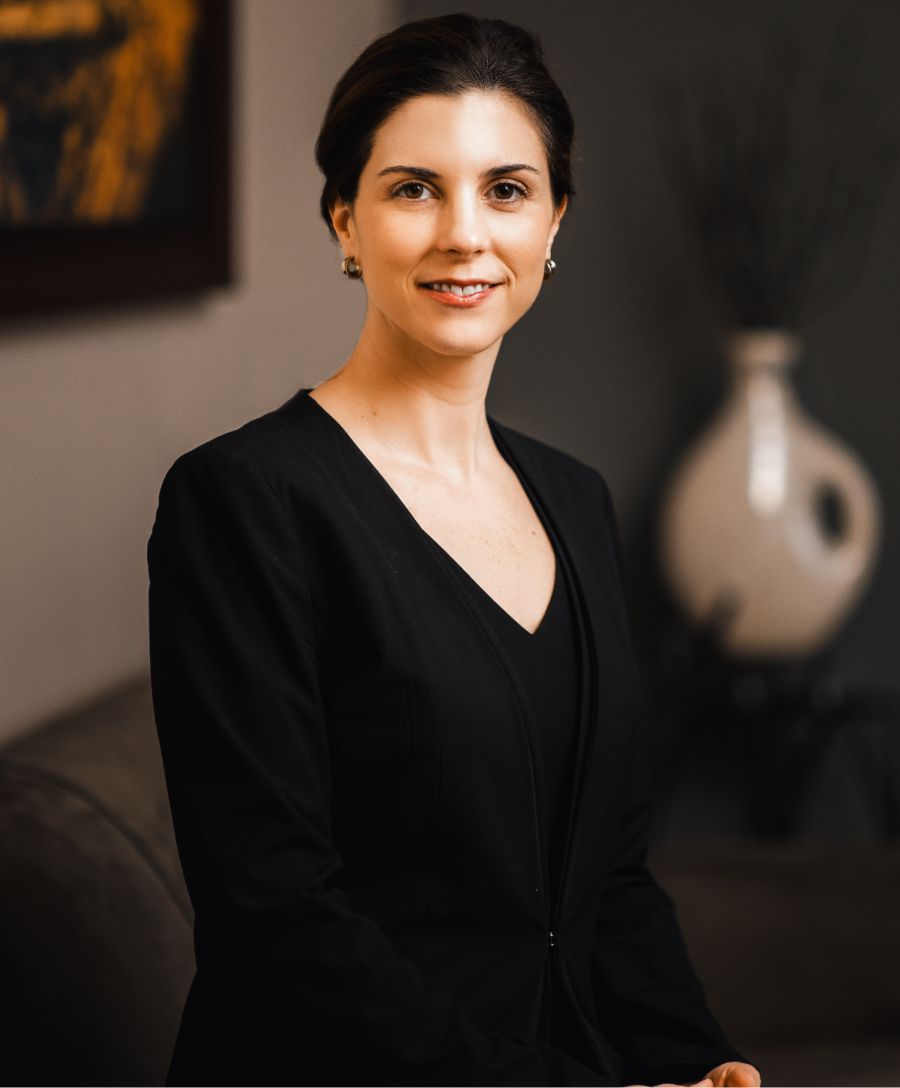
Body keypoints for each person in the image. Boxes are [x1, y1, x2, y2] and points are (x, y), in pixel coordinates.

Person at [147, 13, 762, 1087]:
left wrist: (697, 1059)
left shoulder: (577, 499)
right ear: (345, 220)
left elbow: (613, 874)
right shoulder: (242, 500)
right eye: (414, 189)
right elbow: (274, 916)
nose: (464, 234)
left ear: (555, 220)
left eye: (507, 189)